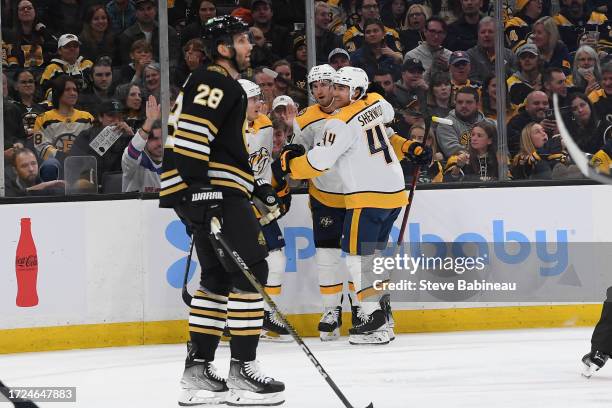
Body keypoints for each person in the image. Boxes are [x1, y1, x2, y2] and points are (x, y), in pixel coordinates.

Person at [158, 16, 285, 406]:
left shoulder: (210, 81)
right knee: (253, 269)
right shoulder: (216, 80)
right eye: (243, 40)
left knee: (216, 276)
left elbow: (215, 146)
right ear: (224, 47)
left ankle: (198, 371)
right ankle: (243, 370)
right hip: (210, 191)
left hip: (209, 189)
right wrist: (201, 194)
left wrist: (256, 186)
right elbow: (194, 138)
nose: (250, 46)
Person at [274, 66, 431, 345]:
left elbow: (319, 162)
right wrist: (410, 146)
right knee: (372, 258)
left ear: (357, 91)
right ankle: (384, 313)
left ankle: (373, 320)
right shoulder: (376, 104)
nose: (334, 92)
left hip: (365, 196)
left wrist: (289, 164)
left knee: (357, 258)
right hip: (393, 193)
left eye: (340, 88)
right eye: (334, 87)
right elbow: (388, 119)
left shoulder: (340, 122)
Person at [290, 64, 353, 341]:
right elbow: (296, 152)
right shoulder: (303, 119)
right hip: (324, 196)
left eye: (325, 84)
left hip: (355, 193)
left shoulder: (352, 112)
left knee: (358, 256)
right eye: (314, 86)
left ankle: (363, 308)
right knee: (327, 255)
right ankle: (331, 311)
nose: (319, 90)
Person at [238, 79, 292, 342]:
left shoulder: (265, 124)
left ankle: (269, 312)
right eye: (253, 99)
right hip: (235, 204)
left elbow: (264, 165)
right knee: (240, 264)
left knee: (277, 258)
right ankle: (233, 317)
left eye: (260, 98)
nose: (260, 103)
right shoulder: (225, 131)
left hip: (259, 202)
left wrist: (272, 189)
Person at [70, 99, 135, 189]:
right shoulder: (86, 136)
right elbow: (75, 165)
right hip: (91, 188)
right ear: (100, 117)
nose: (116, 121)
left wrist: (132, 136)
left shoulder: (127, 137)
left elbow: (137, 166)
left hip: (119, 188)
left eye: (120, 117)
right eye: (111, 116)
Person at [33, 76, 95, 162]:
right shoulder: (43, 119)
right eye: (67, 90)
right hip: (55, 167)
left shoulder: (87, 118)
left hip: (83, 165)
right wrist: (62, 157)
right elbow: (41, 147)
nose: (73, 93)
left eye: (75, 90)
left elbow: (96, 143)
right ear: (58, 92)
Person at [436, 87, 494, 158]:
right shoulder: (446, 124)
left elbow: (502, 151)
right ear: (455, 103)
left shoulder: (492, 124)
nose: (463, 106)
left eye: (469, 102)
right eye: (460, 102)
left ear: (477, 104)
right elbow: (455, 152)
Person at [121, 96, 162, 192]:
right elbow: (132, 152)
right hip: (134, 206)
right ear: (146, 140)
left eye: (162, 139)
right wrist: (149, 121)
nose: (160, 143)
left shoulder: (170, 161)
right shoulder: (136, 160)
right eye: (155, 139)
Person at [39, 34, 94, 99]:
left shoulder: (88, 64)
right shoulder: (52, 68)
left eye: (75, 46)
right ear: (59, 50)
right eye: (67, 46)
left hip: (89, 103)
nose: (72, 48)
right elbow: (44, 90)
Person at [467, 16, 516, 83]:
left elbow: (515, 79)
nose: (486, 35)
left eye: (490, 32)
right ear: (478, 35)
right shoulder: (470, 56)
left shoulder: (509, 55)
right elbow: (471, 80)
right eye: (483, 32)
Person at [403, 16, 452, 81]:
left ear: (445, 35)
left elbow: (457, 83)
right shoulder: (411, 56)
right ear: (425, 31)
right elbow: (410, 84)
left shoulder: (450, 56)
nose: (436, 36)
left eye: (440, 32)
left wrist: (446, 70)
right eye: (432, 31)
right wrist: (432, 69)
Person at [507, 43, 542, 111]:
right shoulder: (510, 83)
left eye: (531, 56)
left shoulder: (547, 79)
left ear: (539, 59)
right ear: (519, 61)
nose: (527, 59)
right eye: (523, 57)